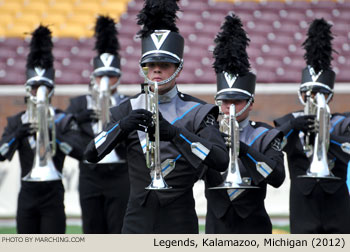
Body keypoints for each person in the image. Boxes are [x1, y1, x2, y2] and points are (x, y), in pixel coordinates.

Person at [84, 0, 229, 234]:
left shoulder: (199, 110)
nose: (157, 70)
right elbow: (91, 153)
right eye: (150, 65)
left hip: (179, 218)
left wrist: (175, 133)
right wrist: (122, 126)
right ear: (143, 68)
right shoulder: (127, 108)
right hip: (136, 219)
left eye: (164, 64)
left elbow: (220, 160)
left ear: (178, 68)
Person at [203, 13, 285, 234]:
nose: (230, 108)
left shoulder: (266, 135)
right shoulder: (205, 132)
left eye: (237, 102)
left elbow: (277, 178)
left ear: (250, 103)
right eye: (225, 101)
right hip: (215, 230)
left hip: (255, 229)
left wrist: (243, 149)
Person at [0, 25, 84, 234]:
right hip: (27, 193)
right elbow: (1, 154)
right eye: (34, 88)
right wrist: (17, 135)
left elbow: (81, 152)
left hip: (53, 194)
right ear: (28, 90)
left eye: (43, 88)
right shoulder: (17, 120)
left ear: (51, 90)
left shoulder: (64, 119)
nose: (39, 93)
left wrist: (52, 136)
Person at [274, 18, 350, 234]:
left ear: (330, 95)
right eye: (310, 93)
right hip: (302, 206)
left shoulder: (344, 123)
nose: (315, 98)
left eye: (321, 93)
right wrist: (293, 126)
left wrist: (327, 136)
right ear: (302, 94)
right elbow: (271, 144)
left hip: (337, 205)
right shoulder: (287, 121)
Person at [65, 15, 130, 234]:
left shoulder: (127, 103)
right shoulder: (79, 103)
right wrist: (83, 146)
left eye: (111, 76)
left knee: (118, 227)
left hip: (119, 171)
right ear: (93, 76)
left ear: (118, 77)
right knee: (92, 228)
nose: (105, 80)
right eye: (101, 75)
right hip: (90, 171)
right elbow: (64, 131)